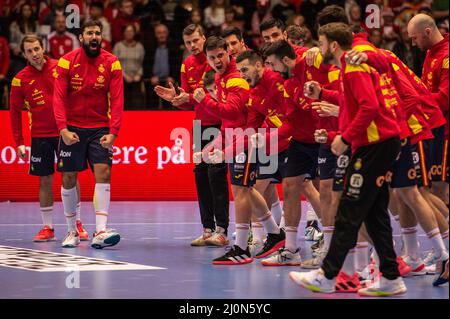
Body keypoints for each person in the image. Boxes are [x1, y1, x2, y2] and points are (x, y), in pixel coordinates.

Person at [289, 23, 406, 297]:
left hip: (376, 145)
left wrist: (346, 136)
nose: (318, 49)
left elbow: (370, 106)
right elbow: (350, 100)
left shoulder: (353, 66)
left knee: (350, 210)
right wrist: (322, 94)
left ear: (332, 44)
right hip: (377, 145)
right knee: (374, 213)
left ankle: (327, 275)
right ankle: (390, 277)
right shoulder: (347, 68)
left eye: (320, 42)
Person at [193, 36, 285, 264]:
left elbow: (233, 113)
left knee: (243, 189)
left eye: (220, 55)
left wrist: (205, 101)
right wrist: (213, 147)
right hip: (242, 138)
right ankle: (274, 233)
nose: (217, 61)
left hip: (251, 139)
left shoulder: (237, 79)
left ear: (228, 53)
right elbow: (228, 122)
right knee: (246, 189)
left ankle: (243, 247)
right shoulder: (221, 77)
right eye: (212, 58)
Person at [154, 24, 229, 247]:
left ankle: (222, 230)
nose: (193, 46)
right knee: (201, 175)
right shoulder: (186, 65)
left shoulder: (217, 60)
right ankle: (207, 229)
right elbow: (188, 103)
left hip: (221, 124)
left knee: (216, 176)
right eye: (188, 43)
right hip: (200, 127)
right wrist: (176, 100)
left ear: (204, 38)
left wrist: (191, 98)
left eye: (196, 40)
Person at [9, 34, 88, 243]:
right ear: (23, 53)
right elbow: (14, 112)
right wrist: (19, 142)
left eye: (37, 49)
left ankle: (77, 223)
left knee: (70, 176)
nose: (34, 54)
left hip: (66, 132)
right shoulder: (19, 80)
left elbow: (78, 92)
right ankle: (48, 227)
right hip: (40, 135)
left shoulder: (59, 67)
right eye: (29, 51)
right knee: (45, 180)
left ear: (42, 48)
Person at [53, 20, 124, 249]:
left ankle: (101, 231)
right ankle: (72, 231)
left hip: (99, 128)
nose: (94, 37)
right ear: (81, 37)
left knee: (103, 172)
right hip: (71, 128)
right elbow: (59, 98)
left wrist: (114, 132)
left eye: (98, 33)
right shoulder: (66, 61)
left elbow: (117, 99)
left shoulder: (112, 63)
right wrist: (63, 128)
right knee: (68, 178)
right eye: (90, 33)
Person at [113, 24, 145, 109]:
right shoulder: (118, 46)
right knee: (124, 104)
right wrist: (125, 75)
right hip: (122, 79)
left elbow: (142, 63)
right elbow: (115, 64)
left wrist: (138, 74)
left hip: (136, 79)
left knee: (137, 104)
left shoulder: (139, 46)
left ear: (134, 33)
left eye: (131, 31)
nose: (129, 33)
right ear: (123, 33)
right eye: (127, 31)